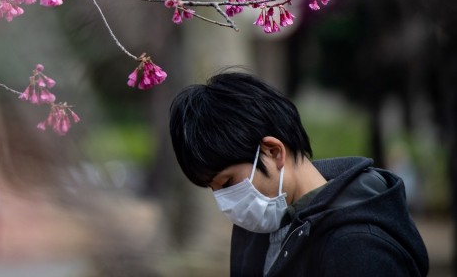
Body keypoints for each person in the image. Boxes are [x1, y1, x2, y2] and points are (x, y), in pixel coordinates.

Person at [168, 71, 428, 276]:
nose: (226, 202)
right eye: (214, 190)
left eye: (229, 182)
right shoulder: (256, 229)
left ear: (273, 151)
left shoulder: (360, 246)